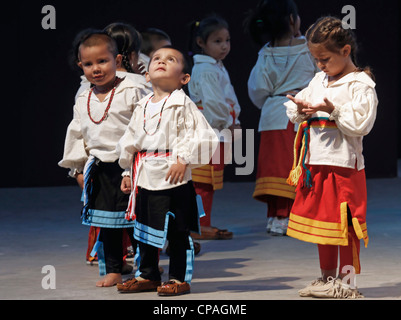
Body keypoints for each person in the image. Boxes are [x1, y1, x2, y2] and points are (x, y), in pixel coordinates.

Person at [284, 16, 378, 298]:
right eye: (316, 60)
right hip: (317, 166)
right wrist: (301, 109)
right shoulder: (319, 80)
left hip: (344, 168)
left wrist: (333, 109)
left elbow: (362, 124)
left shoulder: (360, 84)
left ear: (345, 51)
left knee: (345, 226)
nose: (320, 65)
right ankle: (327, 279)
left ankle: (347, 284)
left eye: (324, 59)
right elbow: (296, 111)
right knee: (322, 225)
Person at [116, 46, 219, 296]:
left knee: (177, 231)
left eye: (171, 59)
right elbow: (131, 140)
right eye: (157, 59)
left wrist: (183, 159)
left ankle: (178, 278)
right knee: (145, 230)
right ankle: (148, 274)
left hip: (174, 177)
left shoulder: (183, 104)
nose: (162, 61)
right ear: (147, 75)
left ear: (184, 78)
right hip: (145, 175)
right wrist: (127, 172)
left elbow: (203, 136)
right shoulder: (142, 106)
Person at [59, 31, 150, 287]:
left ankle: (147, 269)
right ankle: (113, 269)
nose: (96, 69)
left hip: (129, 166)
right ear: (81, 66)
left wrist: (137, 168)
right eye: (89, 64)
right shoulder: (83, 97)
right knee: (106, 223)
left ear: (117, 59)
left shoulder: (132, 90)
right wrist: (77, 169)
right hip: (99, 168)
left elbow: (145, 126)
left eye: (102, 61)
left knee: (135, 222)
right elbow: (77, 132)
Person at [245, 0, 318, 236]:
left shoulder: (265, 53)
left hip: (274, 114)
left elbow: (256, 88)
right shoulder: (309, 49)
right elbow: (320, 79)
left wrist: (271, 102)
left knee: (277, 166)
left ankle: (277, 217)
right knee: (297, 163)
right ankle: (292, 216)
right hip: (302, 112)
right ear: (291, 20)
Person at [188, 14, 241, 240]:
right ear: (202, 43)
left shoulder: (215, 66)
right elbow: (213, 103)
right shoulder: (207, 69)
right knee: (202, 181)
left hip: (218, 129)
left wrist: (234, 119)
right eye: (217, 41)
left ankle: (201, 223)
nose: (224, 46)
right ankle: (197, 226)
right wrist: (227, 123)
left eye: (227, 40)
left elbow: (226, 98)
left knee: (207, 182)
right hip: (210, 130)